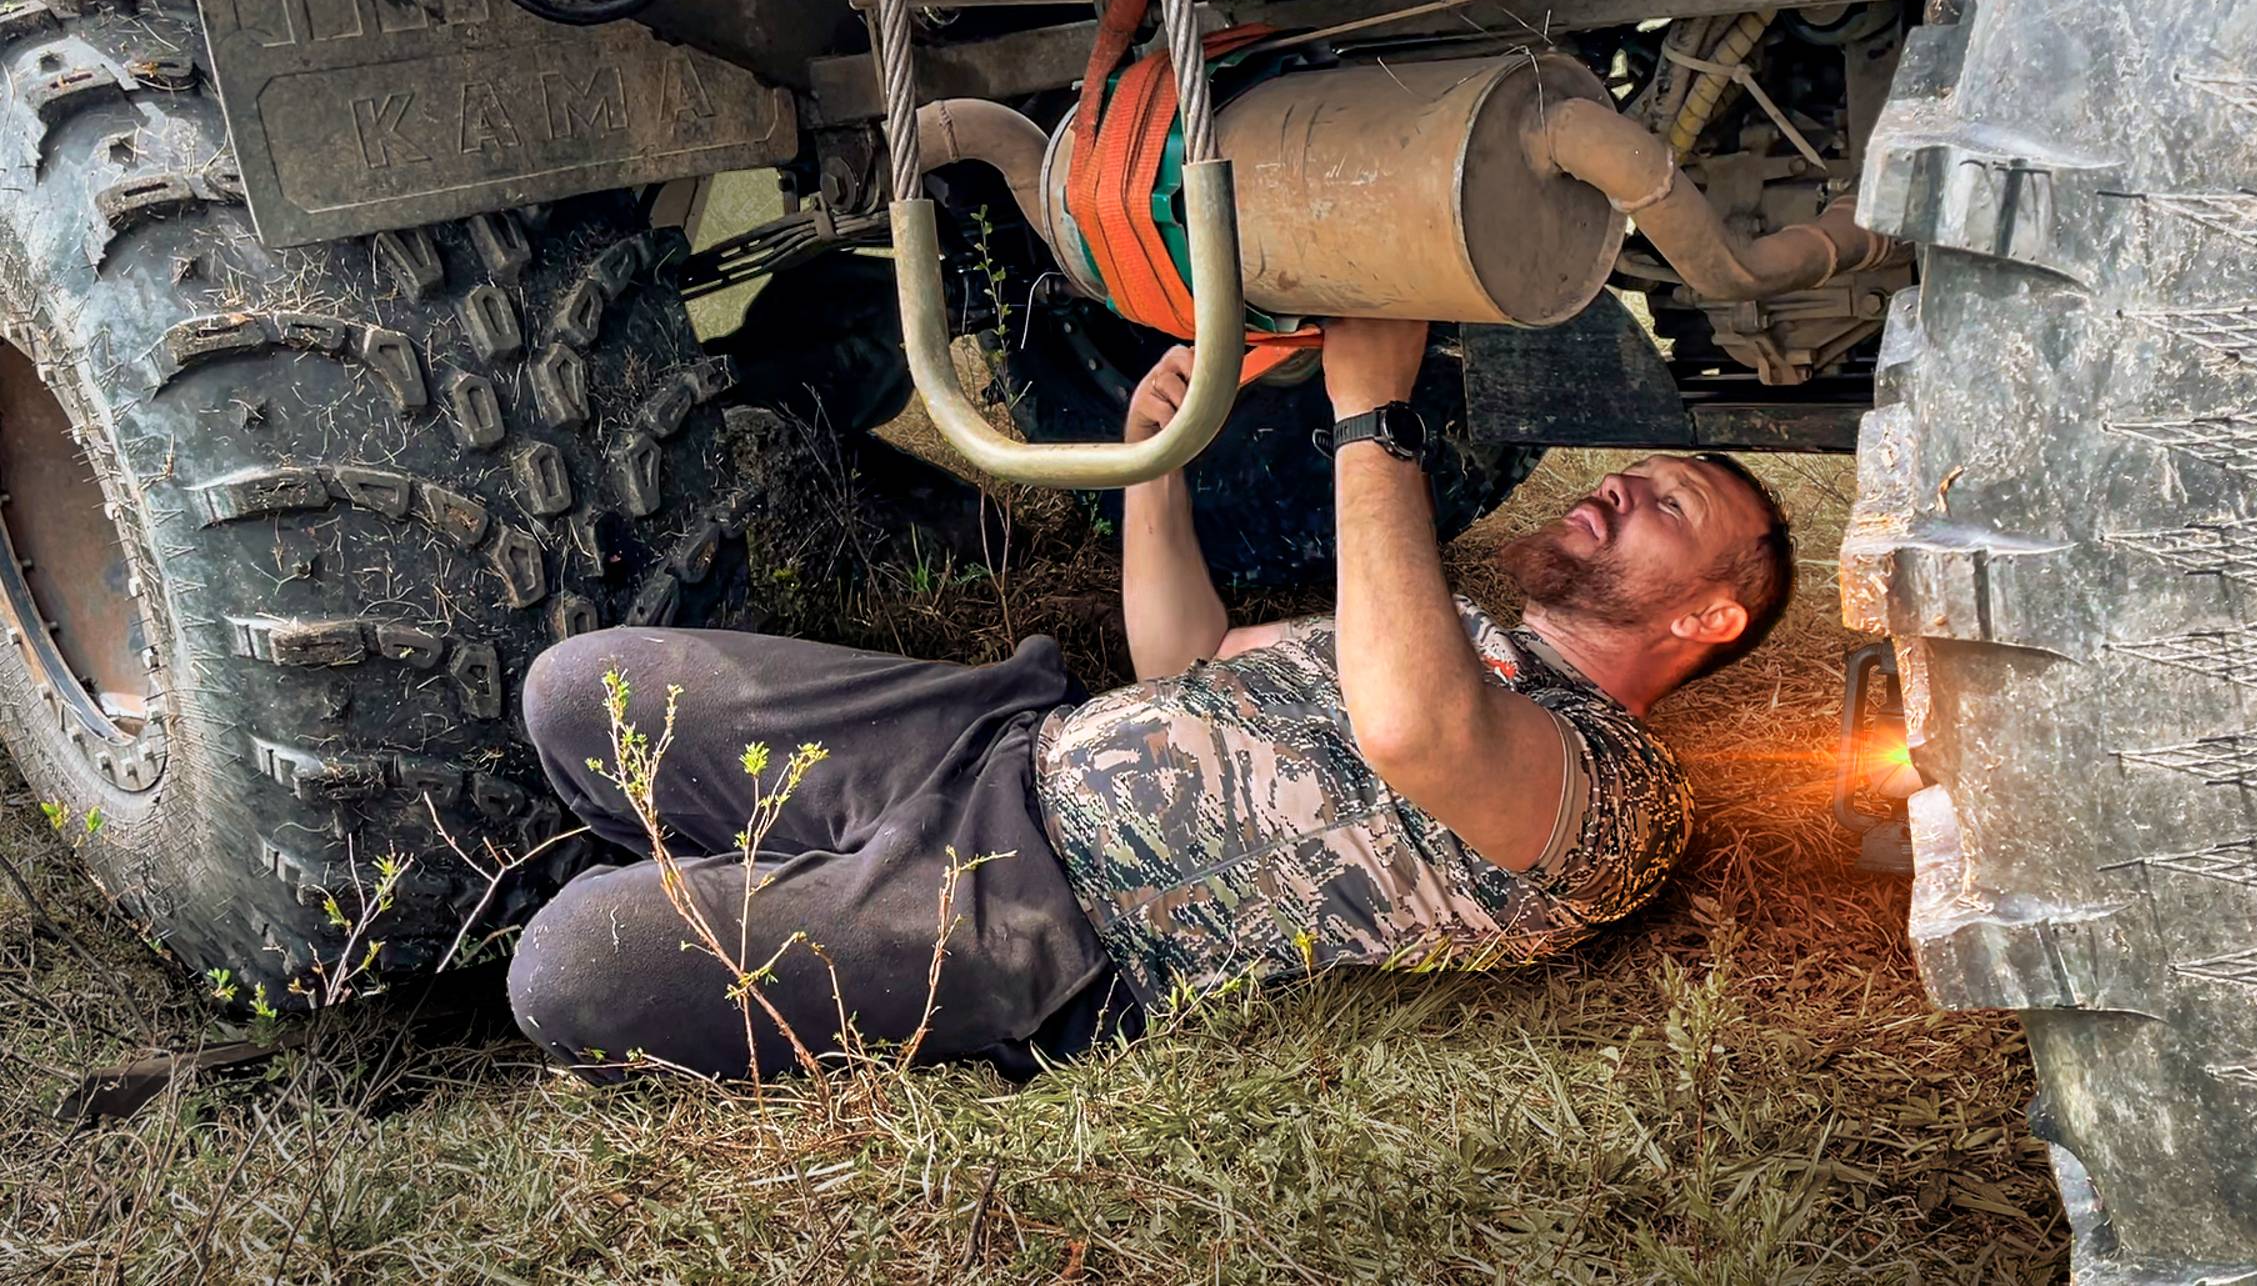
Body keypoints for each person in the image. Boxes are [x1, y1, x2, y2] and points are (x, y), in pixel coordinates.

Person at [504, 318, 1795, 1082]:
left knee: (572, 962)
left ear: (1708, 617)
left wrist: (1373, 413)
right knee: (581, 687)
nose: (1619, 487)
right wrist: (1150, 459)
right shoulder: (1449, 631)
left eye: (1667, 502)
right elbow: (1190, 659)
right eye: (1632, 473)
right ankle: (760, 854)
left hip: (1042, 912)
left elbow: (1418, 732)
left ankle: (747, 873)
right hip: (994, 739)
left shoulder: (1621, 791)